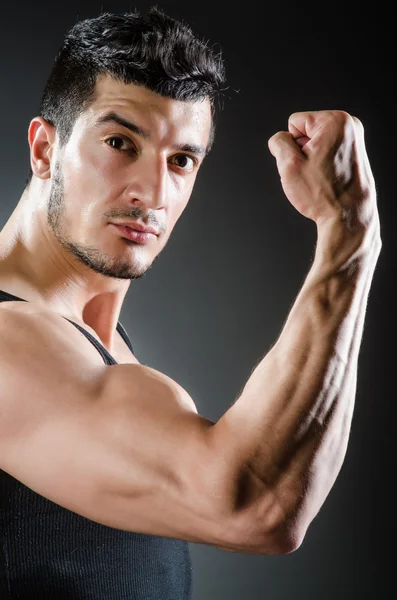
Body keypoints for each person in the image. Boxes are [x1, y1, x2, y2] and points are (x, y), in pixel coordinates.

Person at [0, 5, 381, 600]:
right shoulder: (7, 342)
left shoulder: (95, 344)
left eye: (182, 160)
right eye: (121, 142)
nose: (154, 192)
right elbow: (256, 503)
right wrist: (350, 234)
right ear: (45, 149)